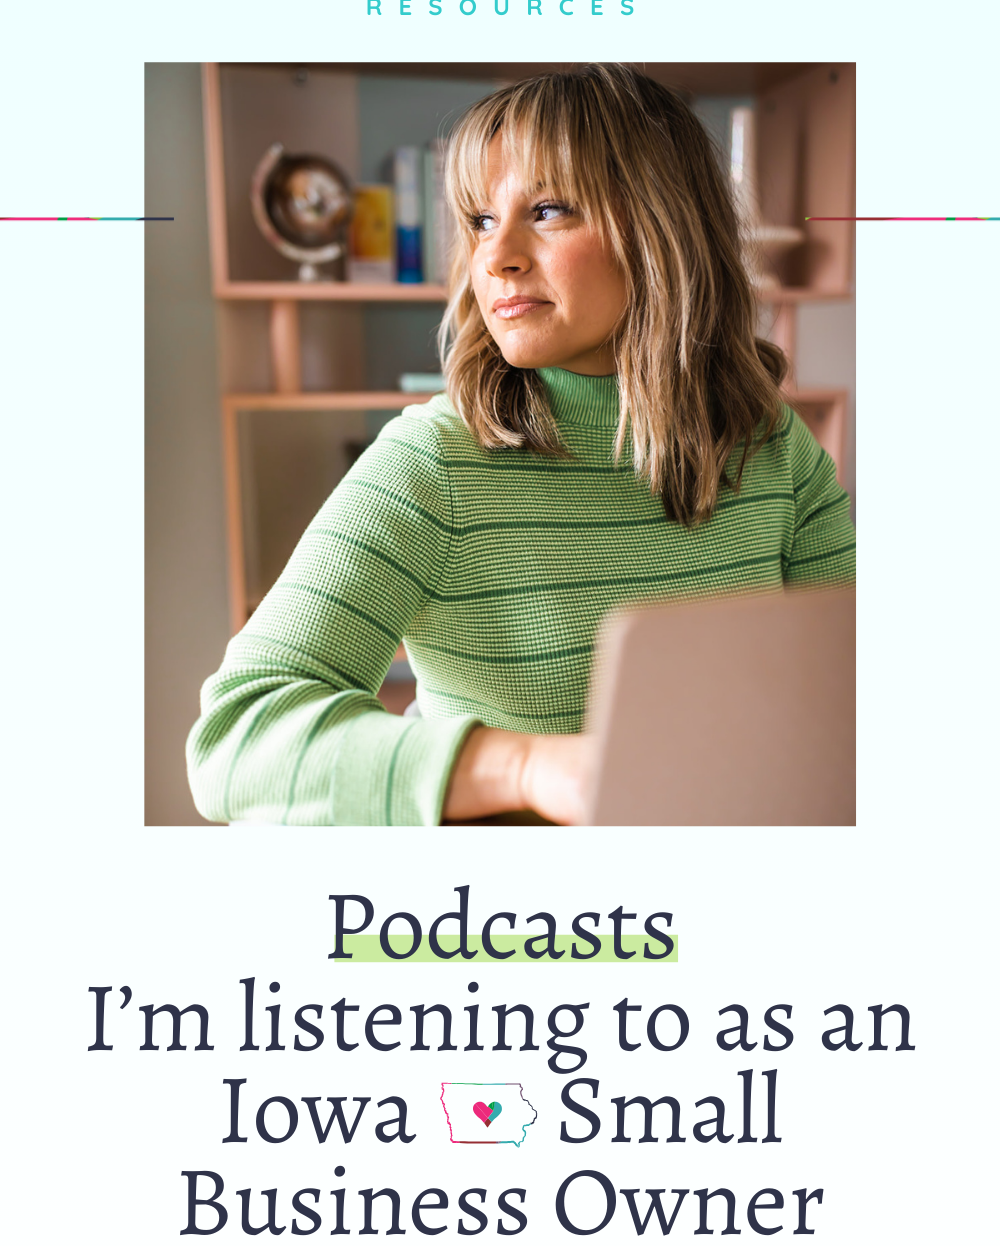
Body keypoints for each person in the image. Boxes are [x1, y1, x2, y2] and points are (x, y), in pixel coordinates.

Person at [186, 64, 855, 827]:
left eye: (547, 209)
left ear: (664, 227)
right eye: (477, 219)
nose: (495, 255)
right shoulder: (429, 463)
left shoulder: (774, 446)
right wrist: (528, 766)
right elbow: (235, 742)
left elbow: (853, 682)